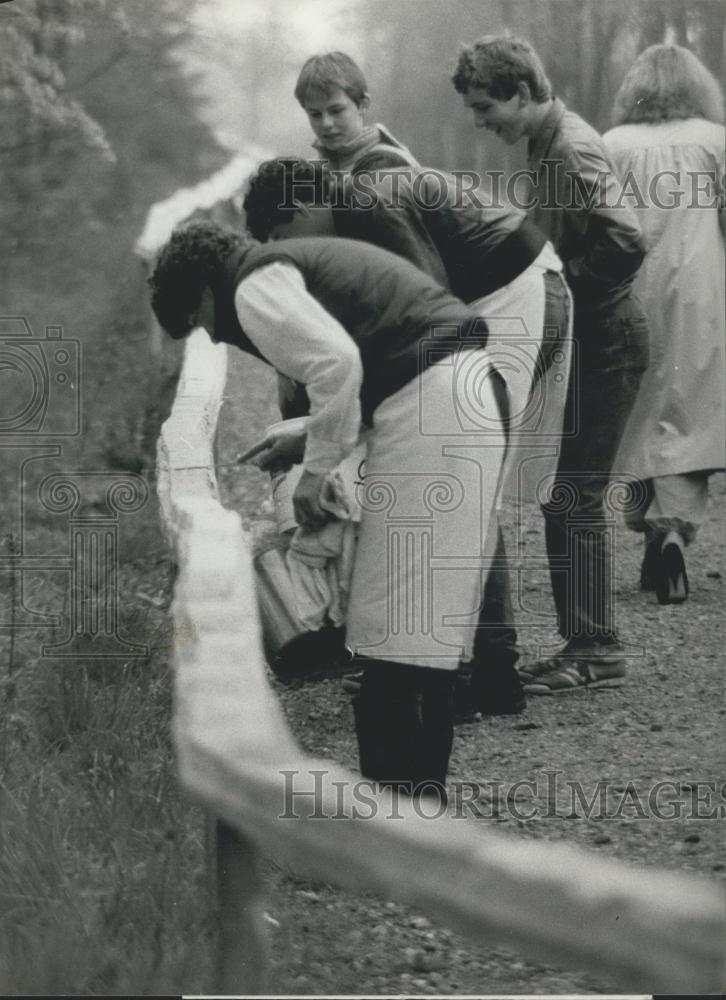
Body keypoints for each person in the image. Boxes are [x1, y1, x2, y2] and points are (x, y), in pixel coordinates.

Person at [149, 221, 508, 797]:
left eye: (200, 322)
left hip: (437, 407)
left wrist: (314, 474)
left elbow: (338, 365)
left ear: (204, 291)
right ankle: (408, 814)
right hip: (444, 396)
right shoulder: (280, 266)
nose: (215, 339)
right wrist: (310, 437)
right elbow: (374, 361)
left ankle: (404, 823)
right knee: (404, 629)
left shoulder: (251, 285)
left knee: (403, 633)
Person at [242, 155, 573, 717]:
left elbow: (428, 323)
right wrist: (321, 429)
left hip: (516, 295)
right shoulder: (347, 222)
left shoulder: (367, 205)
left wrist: (322, 436)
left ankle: (479, 673)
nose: (286, 252)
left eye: (281, 236)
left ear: (303, 206)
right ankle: (469, 669)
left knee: (459, 469)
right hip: (488, 304)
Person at [452, 34, 650, 694]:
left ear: (520, 92)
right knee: (563, 497)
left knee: (574, 497)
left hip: (608, 338)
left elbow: (626, 238)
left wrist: (566, 291)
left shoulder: (568, 146)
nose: (482, 122)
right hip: (589, 337)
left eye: (486, 107)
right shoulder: (545, 142)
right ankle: (587, 643)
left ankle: (595, 650)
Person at [603, 44, 726, 604]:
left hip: (630, 290)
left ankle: (648, 527)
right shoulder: (716, 140)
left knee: (636, 411)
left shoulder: (613, 145)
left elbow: (596, 224)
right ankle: (674, 530)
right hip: (702, 291)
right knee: (689, 413)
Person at [295, 51, 417, 174]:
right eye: (315, 114)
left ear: (362, 105)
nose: (326, 123)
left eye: (336, 111)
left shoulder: (395, 165)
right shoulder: (307, 173)